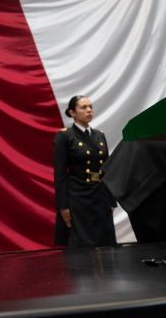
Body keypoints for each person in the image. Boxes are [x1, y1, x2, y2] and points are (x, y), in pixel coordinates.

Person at [53, 95, 116, 247]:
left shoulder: (99, 135)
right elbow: (60, 174)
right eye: (83, 107)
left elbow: (106, 169)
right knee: (83, 244)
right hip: (78, 197)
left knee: (105, 243)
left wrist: (111, 199)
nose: (89, 110)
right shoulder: (65, 136)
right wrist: (63, 206)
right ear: (72, 112)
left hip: (99, 195)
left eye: (90, 107)